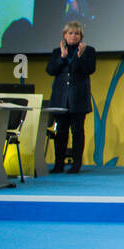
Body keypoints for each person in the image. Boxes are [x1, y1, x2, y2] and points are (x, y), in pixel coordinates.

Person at [45, 21, 97, 173]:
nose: (73, 36)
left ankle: (76, 164)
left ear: (81, 36)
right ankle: (58, 163)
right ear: (64, 35)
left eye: (76, 34)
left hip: (78, 98)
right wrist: (62, 57)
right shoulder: (57, 52)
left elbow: (89, 69)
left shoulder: (88, 51)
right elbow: (50, 70)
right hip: (61, 98)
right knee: (60, 131)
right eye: (70, 33)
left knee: (77, 131)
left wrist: (79, 56)